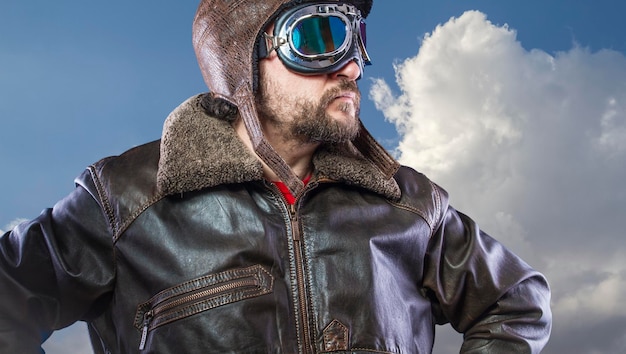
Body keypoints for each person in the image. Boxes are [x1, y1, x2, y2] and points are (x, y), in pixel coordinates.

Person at [0, 0, 552, 353]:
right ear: (244, 60)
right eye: (318, 36)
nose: (352, 64)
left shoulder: (407, 203)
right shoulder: (127, 200)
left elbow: (517, 299)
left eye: (355, 38)